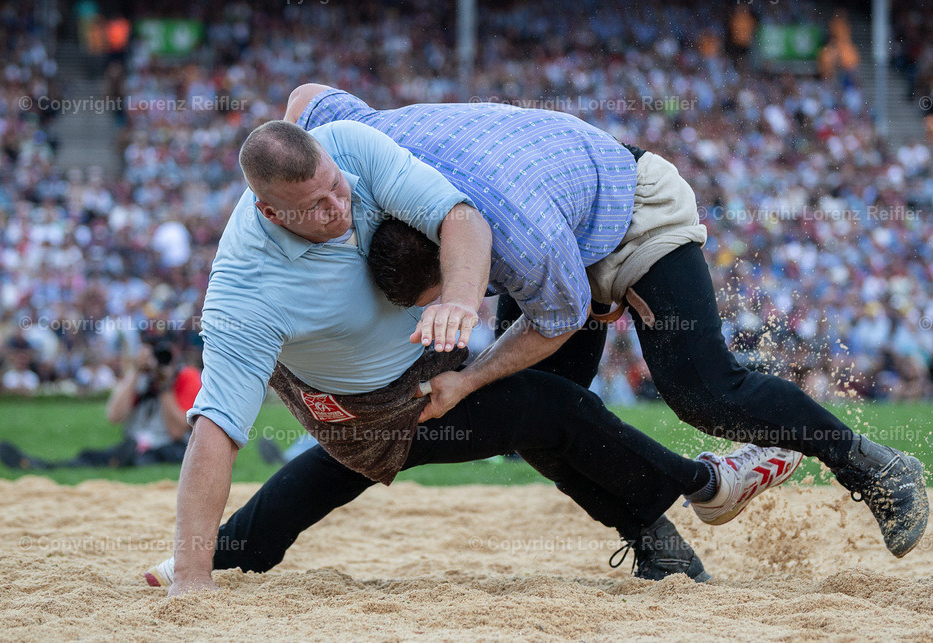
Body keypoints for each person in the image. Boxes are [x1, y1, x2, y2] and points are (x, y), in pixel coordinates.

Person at [160, 114, 802, 596]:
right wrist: (192, 581)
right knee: (551, 410)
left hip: (428, 354)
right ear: (270, 211)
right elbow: (215, 427)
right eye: (317, 207)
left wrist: (462, 303)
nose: (339, 207)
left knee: (333, 479)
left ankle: (232, 549)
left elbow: (458, 215)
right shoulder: (247, 290)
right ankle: (704, 486)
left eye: (336, 188)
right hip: (367, 406)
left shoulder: (348, 148)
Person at [285, 83, 929, 559]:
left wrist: (468, 380)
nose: (449, 303)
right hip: (553, 216)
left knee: (703, 390)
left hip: (628, 213)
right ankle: (653, 536)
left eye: (448, 293)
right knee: (545, 411)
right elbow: (304, 98)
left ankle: (873, 468)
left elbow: (562, 316)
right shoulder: (363, 154)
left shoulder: (518, 240)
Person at [0, 339, 200, 469]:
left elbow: (177, 432)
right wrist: (136, 372)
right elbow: (114, 416)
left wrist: (164, 385)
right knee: (91, 456)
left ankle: (122, 459)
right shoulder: (141, 378)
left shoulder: (186, 377)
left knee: (148, 456)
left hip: (169, 447)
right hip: (135, 444)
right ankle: (35, 464)